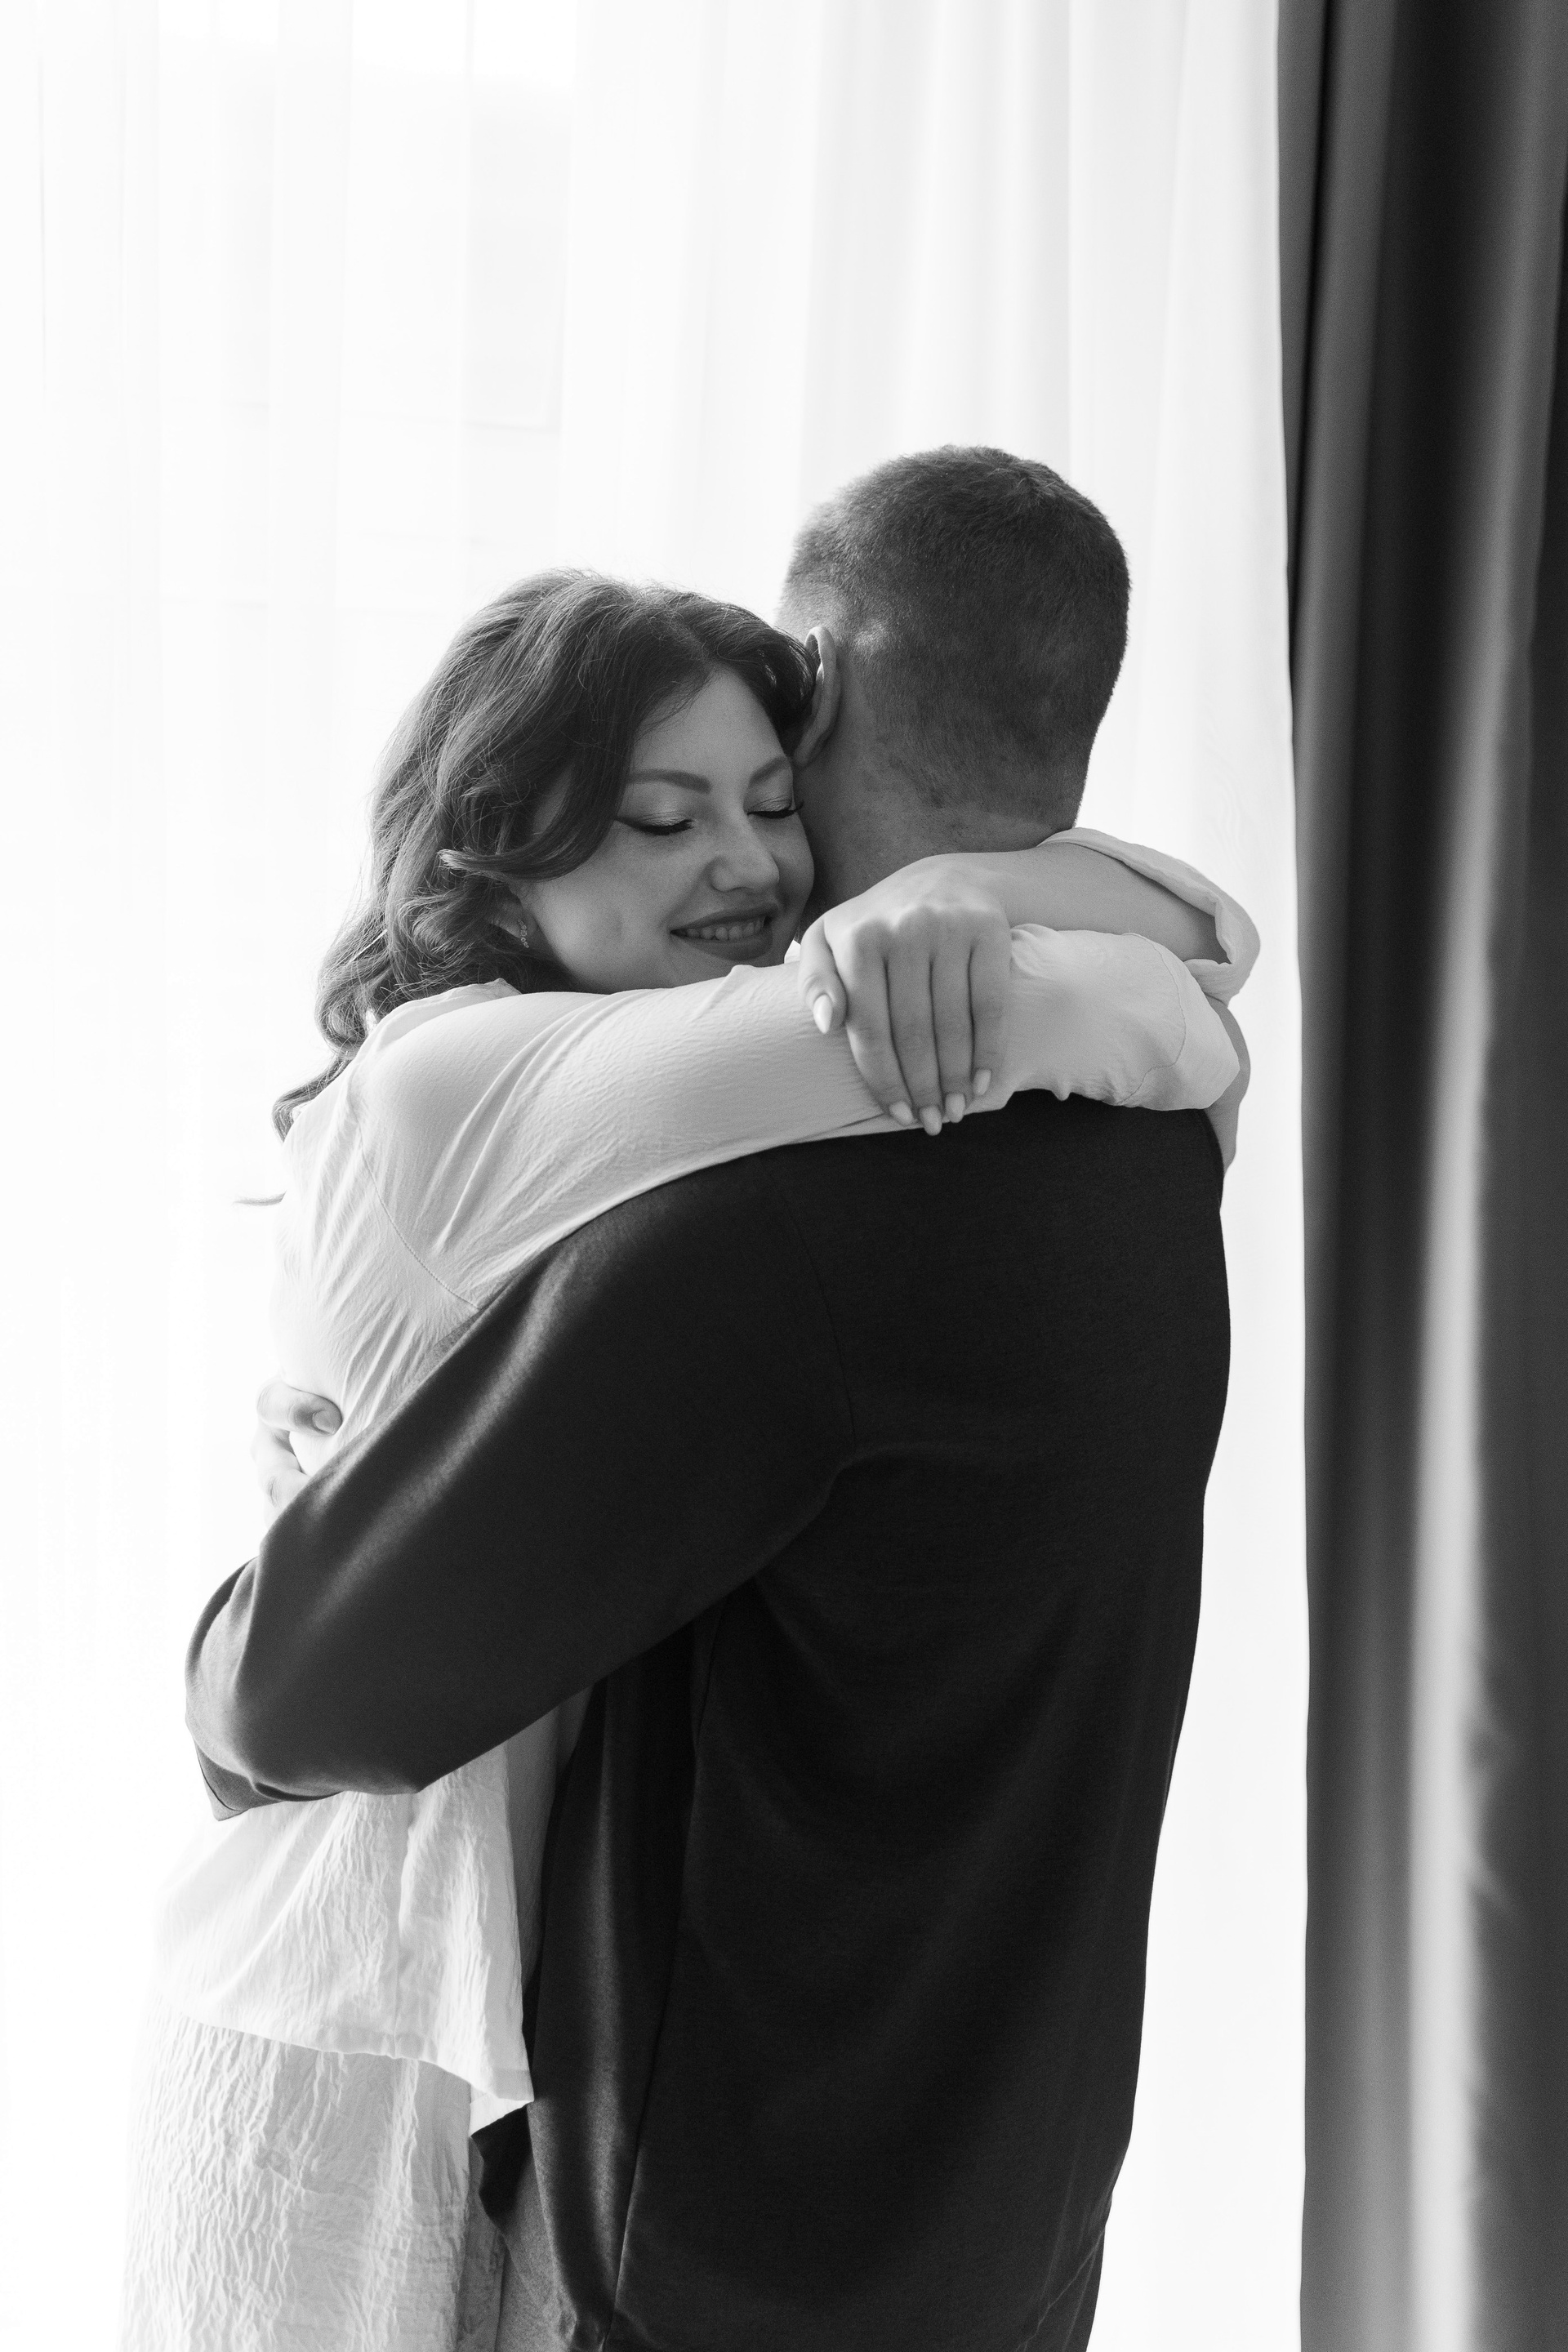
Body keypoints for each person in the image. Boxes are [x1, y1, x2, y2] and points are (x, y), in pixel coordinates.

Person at [180, 448, 1253, 2352]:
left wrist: (228, 1669)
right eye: (662, 818)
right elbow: (1185, 967)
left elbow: (298, 1692)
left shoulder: (781, 1205)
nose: (748, 867)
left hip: (691, 2193)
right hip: (451, 2033)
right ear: (496, 849)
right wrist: (1084, 953)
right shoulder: (1142, 1160)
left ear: (819, 678)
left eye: (760, 799)